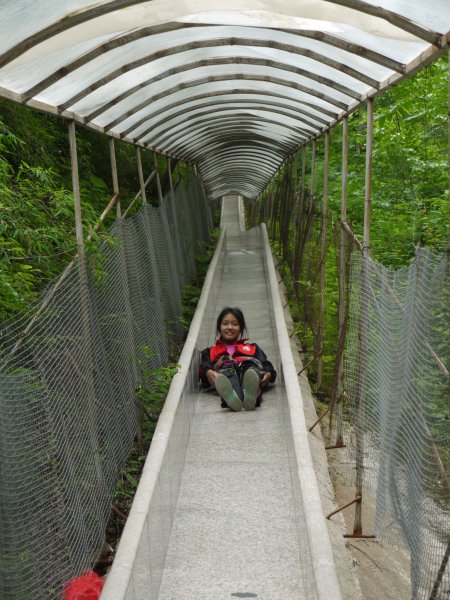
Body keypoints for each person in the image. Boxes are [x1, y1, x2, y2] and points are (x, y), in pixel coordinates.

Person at [199, 307, 277, 411]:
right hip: (226, 370)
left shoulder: (252, 348)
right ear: (219, 327)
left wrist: (269, 373)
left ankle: (250, 394)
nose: (230, 327)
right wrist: (208, 371)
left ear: (241, 328)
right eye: (225, 323)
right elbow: (204, 365)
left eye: (235, 324)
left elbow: (265, 362)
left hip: (249, 368)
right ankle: (232, 397)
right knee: (227, 373)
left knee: (251, 370)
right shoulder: (210, 351)